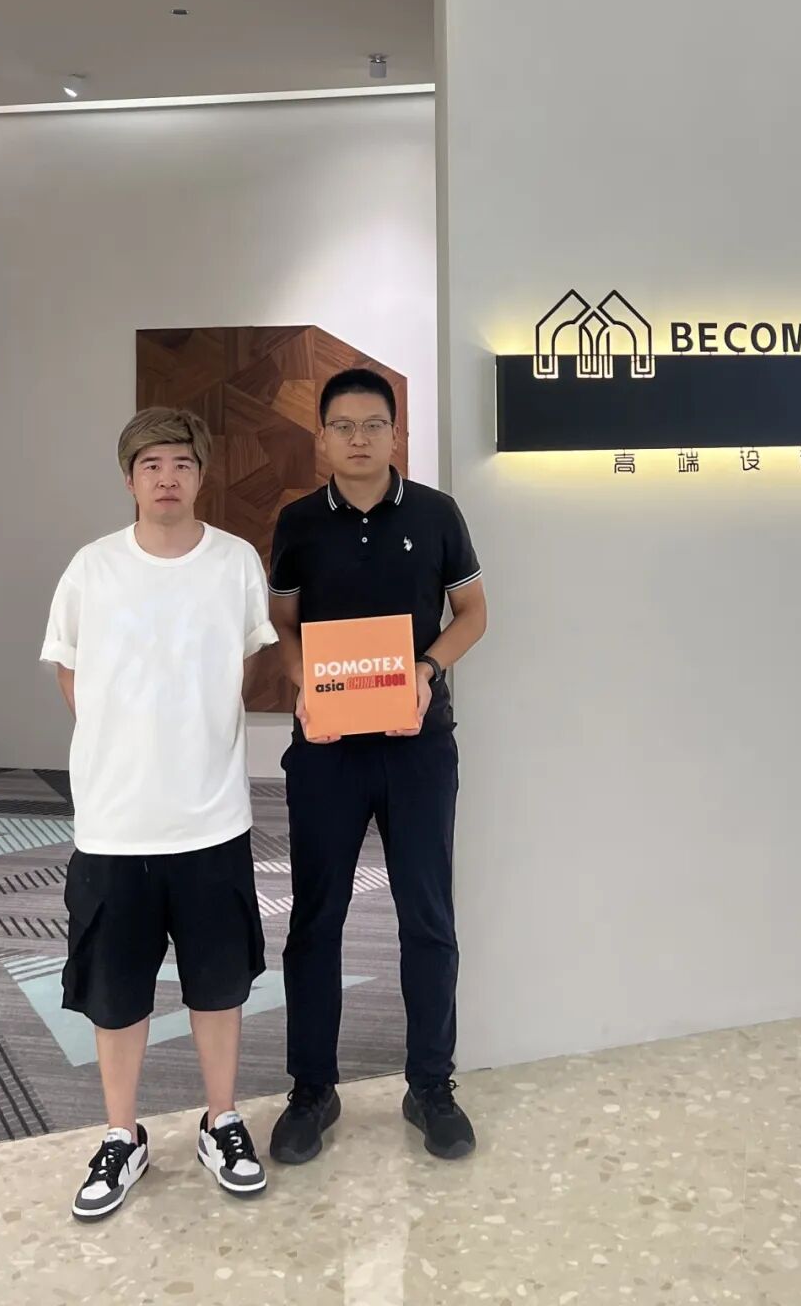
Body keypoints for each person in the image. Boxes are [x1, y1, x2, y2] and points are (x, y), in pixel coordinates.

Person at [41, 406, 277, 1220]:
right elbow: (69, 670)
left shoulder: (234, 561)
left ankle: (223, 1120)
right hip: (115, 823)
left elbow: (246, 662)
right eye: (151, 465)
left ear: (202, 475)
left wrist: (191, 734)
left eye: (181, 463)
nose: (167, 477)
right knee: (116, 992)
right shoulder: (92, 568)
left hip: (212, 818)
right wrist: (122, 740)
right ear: (129, 479)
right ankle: (121, 1134)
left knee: (219, 984)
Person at [267, 369, 488, 1165]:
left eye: (373, 424)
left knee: (427, 917)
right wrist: (306, 685)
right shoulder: (297, 522)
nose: (358, 438)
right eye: (343, 426)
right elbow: (285, 625)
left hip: (417, 744)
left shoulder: (436, 513)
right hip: (327, 750)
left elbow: (473, 614)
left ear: (396, 433)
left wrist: (426, 669)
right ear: (322, 438)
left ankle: (430, 1085)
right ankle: (311, 1089)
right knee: (315, 919)